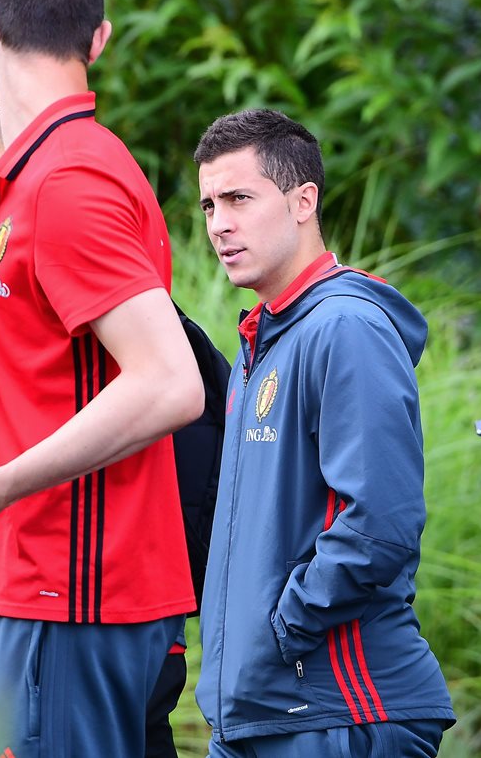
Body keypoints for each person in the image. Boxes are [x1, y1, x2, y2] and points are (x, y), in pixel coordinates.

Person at [0, 0, 204, 755]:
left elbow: (171, 383)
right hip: (32, 596)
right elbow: (77, 385)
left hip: (70, 599)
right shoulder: (39, 177)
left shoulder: (70, 181)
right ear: (97, 37)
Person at [192, 109, 455, 757]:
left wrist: (285, 625)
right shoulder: (263, 342)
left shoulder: (345, 329)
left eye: (238, 198)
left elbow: (380, 523)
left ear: (303, 200)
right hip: (262, 714)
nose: (218, 223)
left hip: (340, 710)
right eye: (207, 205)